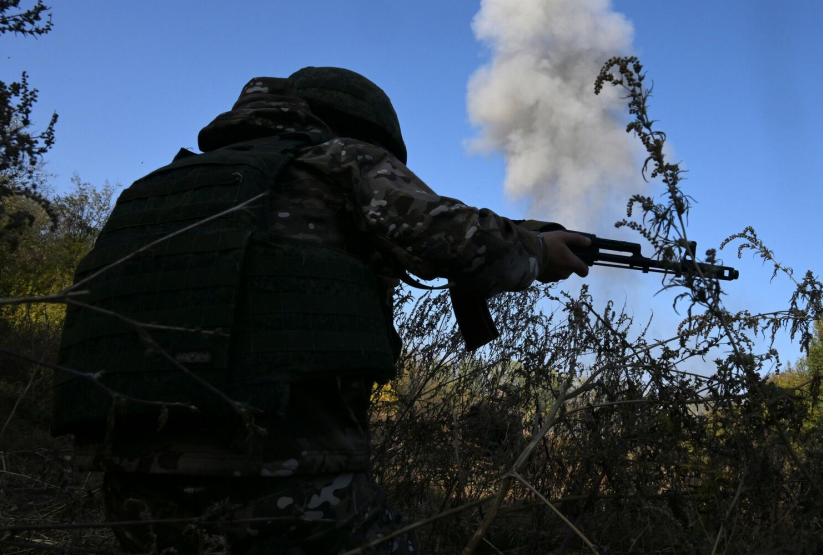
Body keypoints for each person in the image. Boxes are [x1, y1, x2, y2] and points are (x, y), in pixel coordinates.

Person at [52, 68, 591, 554]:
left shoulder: (152, 191)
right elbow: (458, 239)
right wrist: (538, 250)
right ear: (361, 130)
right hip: (284, 477)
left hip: (133, 482)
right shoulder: (340, 160)